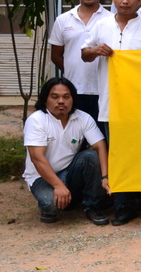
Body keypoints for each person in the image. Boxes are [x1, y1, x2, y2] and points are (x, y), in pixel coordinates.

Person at [81, 0, 141, 226]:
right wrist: (95, 51)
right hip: (111, 104)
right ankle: (124, 206)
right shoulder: (101, 25)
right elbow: (84, 54)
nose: (125, 1)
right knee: (118, 157)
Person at [23, 77, 110, 225]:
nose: (61, 101)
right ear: (45, 99)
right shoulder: (36, 120)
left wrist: (105, 177)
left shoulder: (83, 118)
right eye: (55, 97)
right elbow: (37, 158)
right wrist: (58, 186)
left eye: (66, 97)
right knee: (51, 205)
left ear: (73, 99)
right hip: (41, 177)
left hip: (70, 171)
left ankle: (92, 205)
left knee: (90, 156)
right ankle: (52, 205)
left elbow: (100, 146)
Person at [49, 0, 110, 122]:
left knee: (103, 139)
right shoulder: (63, 20)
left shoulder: (110, 20)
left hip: (103, 89)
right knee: (75, 140)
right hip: (72, 90)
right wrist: (72, 71)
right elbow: (56, 55)